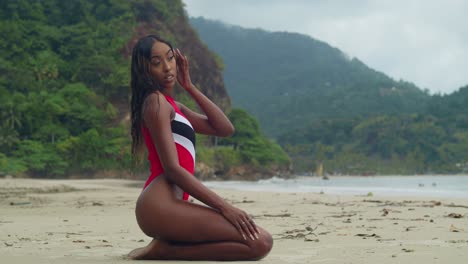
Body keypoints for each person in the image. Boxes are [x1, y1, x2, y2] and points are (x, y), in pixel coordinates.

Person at [127, 35, 273, 261]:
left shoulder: (174, 106)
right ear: (144, 69)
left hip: (173, 204)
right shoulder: (155, 102)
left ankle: (167, 248)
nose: (167, 67)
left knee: (260, 243)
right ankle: (166, 250)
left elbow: (224, 128)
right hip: (159, 205)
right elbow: (172, 169)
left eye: (170, 58)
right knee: (260, 242)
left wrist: (189, 86)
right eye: (157, 62)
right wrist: (225, 208)